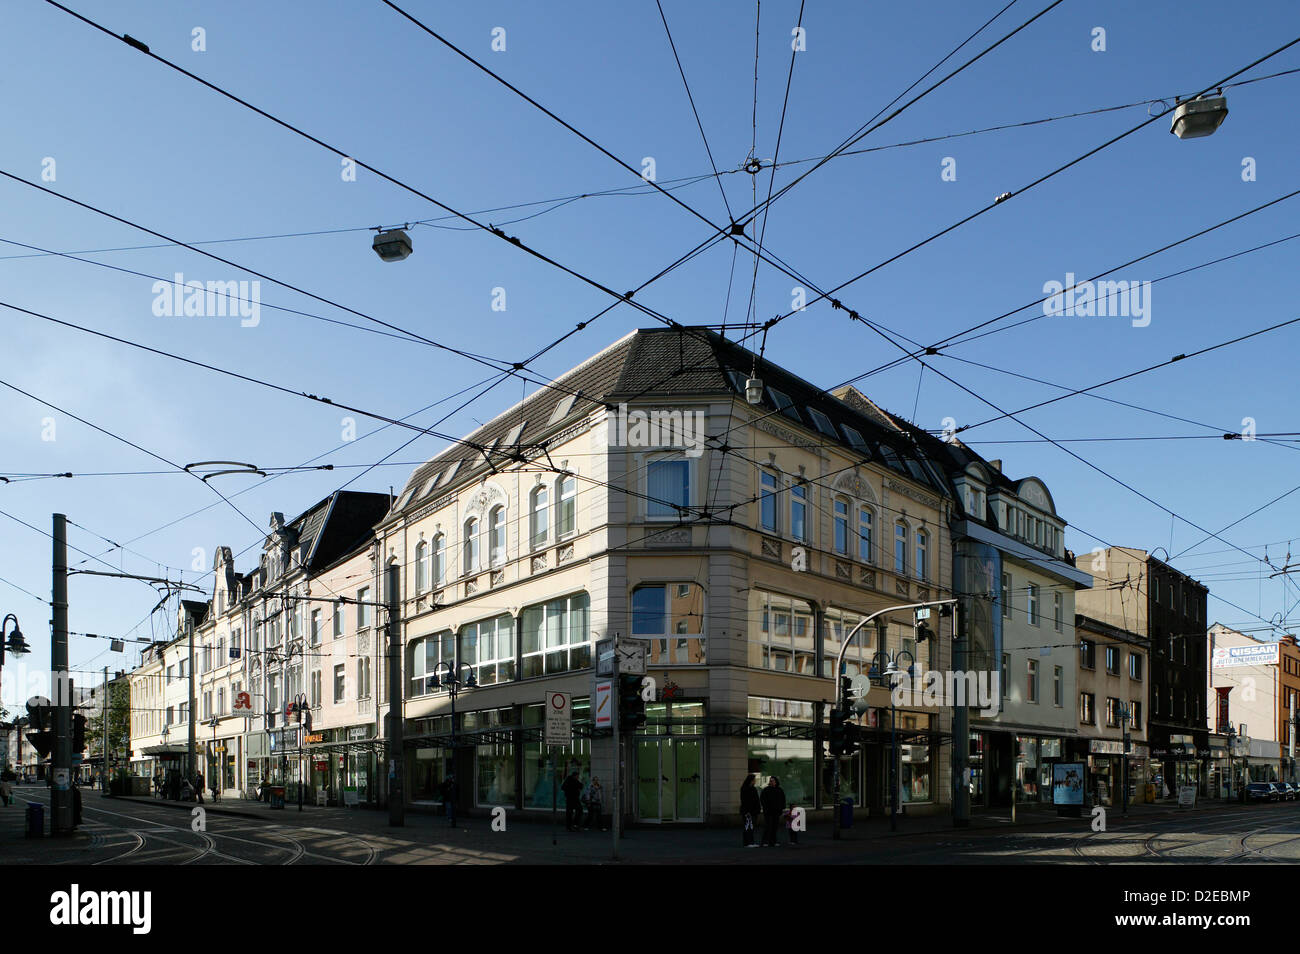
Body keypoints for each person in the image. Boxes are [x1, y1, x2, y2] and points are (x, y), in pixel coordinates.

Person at [760, 776, 786, 847]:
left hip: (776, 811)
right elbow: (762, 800)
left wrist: (781, 808)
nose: (771, 782)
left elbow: (782, 800)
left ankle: (773, 841)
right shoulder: (766, 790)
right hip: (768, 811)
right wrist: (766, 808)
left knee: (775, 827)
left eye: (773, 781)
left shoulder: (779, 790)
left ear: (776, 782)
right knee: (768, 826)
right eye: (770, 781)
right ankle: (765, 841)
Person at [740, 774, 761, 848]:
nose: (755, 781)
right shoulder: (746, 789)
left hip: (752, 811)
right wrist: (748, 810)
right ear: (751, 781)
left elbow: (756, 800)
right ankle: (748, 842)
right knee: (748, 827)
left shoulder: (751, 788)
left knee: (750, 827)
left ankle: (750, 842)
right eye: (754, 780)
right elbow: (745, 801)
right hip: (748, 811)